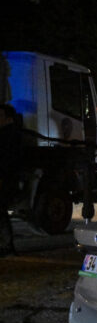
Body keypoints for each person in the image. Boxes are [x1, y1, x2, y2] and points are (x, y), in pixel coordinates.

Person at [0, 104, 22, 257]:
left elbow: (7, 160)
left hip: (5, 179)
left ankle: (7, 245)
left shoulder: (10, 135)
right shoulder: (10, 133)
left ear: (8, 118)